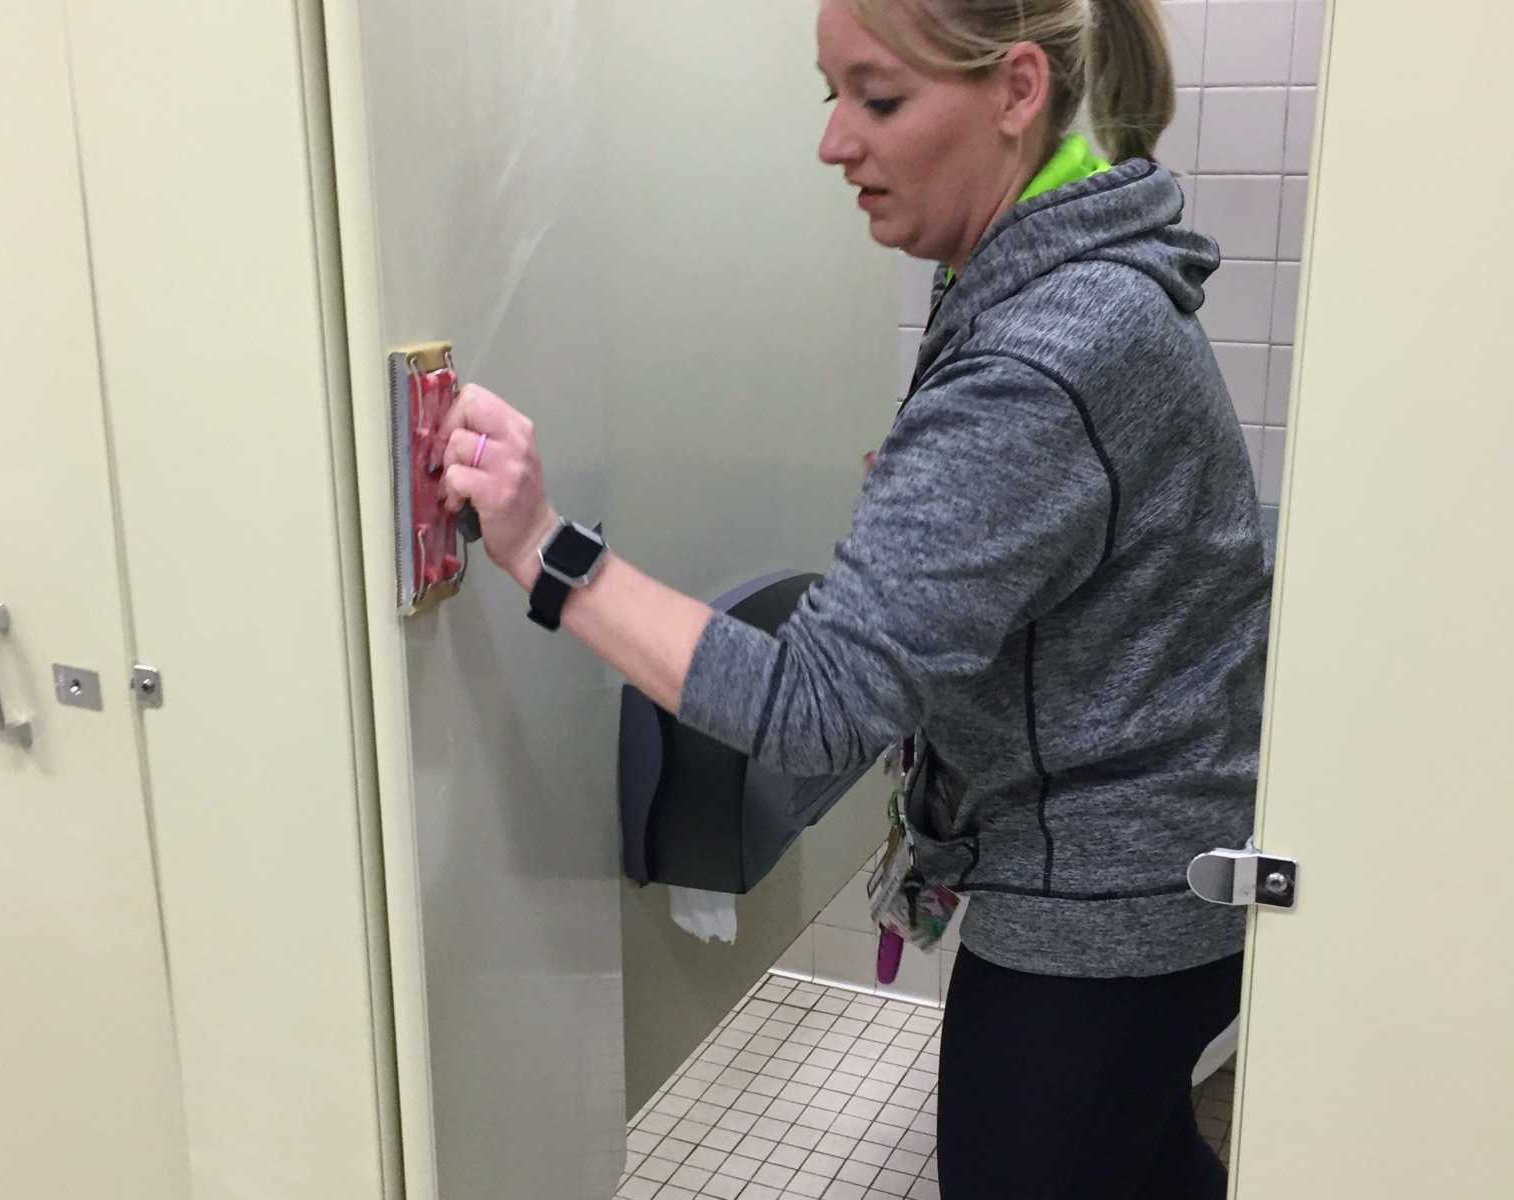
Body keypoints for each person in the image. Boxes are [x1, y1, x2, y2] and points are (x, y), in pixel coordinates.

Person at [432, 0, 1270, 1194]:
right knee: (1139, 1164)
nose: (833, 142)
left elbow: (812, 706)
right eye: (829, 94)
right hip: (1170, 867)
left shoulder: (1041, 353)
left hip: (1101, 912)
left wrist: (539, 546)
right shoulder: (1068, 264)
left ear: (1017, 91)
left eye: (877, 98)